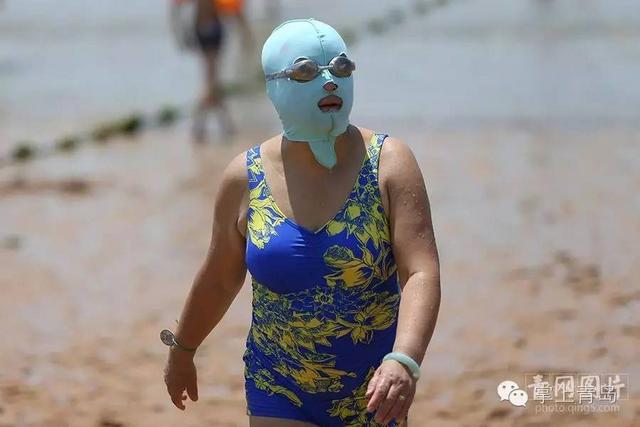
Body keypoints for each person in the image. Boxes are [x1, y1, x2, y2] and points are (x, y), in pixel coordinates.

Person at [163, 19, 441, 426]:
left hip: (375, 391)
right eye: (306, 72)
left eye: (341, 68)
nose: (329, 82)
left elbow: (420, 271)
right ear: (275, 85)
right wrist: (182, 349)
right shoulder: (245, 177)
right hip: (278, 386)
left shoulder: (389, 163)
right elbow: (220, 278)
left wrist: (405, 359)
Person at [171, 0, 234, 143]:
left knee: (212, 80)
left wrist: (180, 33)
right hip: (210, 29)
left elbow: (176, 9)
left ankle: (212, 125)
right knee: (211, 82)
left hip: (204, 28)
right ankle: (208, 125)